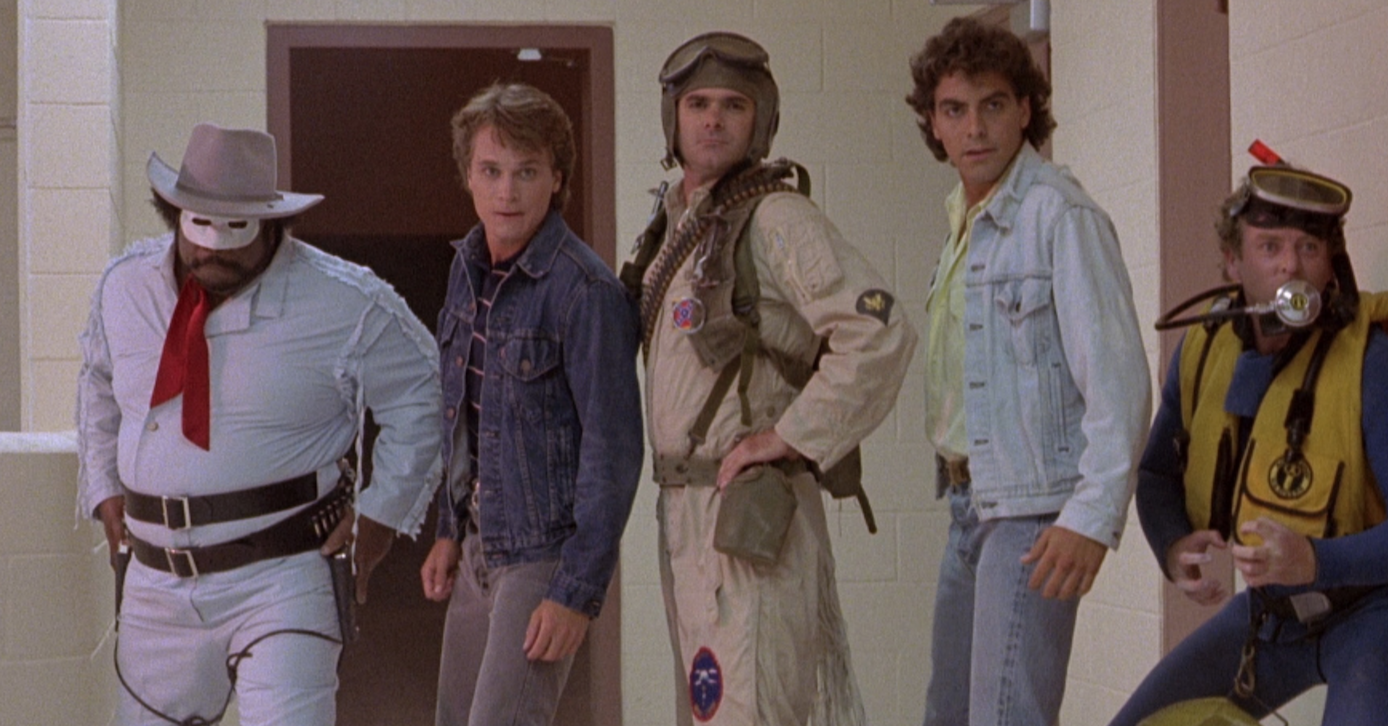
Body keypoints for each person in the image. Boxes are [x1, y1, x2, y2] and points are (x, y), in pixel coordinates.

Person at [76, 123, 443, 725]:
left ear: (272, 225)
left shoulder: (344, 300)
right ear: (174, 215)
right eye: (199, 226)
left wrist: (381, 515)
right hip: (155, 583)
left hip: (284, 574)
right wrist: (103, 485)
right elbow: (97, 380)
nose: (213, 249)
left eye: (235, 229)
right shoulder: (125, 289)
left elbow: (421, 392)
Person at [629, 31, 916, 726]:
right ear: (673, 117)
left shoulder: (776, 217)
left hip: (748, 518)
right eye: (698, 104)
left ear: (760, 119)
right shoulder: (676, 226)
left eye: (733, 105)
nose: (713, 120)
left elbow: (879, 332)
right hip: (688, 516)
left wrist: (787, 436)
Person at [1108, 163, 1388, 726]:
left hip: (1384, 606)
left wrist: (1316, 559)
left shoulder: (1380, 368)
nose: (1290, 265)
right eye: (1269, 246)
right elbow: (1155, 473)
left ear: (1331, 265)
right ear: (1232, 261)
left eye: (1309, 248)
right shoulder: (1204, 349)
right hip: (1275, 613)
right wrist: (1173, 545)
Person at [904, 18, 1153, 726]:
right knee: (949, 715)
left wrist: (1092, 516)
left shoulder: (1057, 214)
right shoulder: (966, 218)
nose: (975, 127)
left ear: (1024, 109)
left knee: (1008, 716)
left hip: (1032, 512)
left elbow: (1119, 383)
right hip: (968, 503)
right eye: (955, 109)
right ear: (934, 124)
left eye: (993, 104)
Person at [418, 82, 643, 726]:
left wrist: (576, 592)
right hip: (478, 543)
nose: (507, 192)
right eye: (491, 171)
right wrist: (448, 529)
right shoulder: (467, 267)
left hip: (542, 553)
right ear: (468, 176)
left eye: (527, 172)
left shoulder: (586, 291)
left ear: (557, 179)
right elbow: (462, 413)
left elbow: (613, 452)